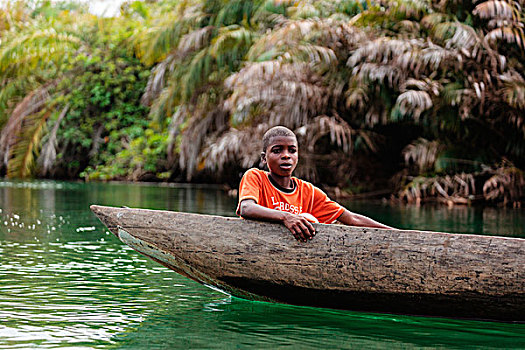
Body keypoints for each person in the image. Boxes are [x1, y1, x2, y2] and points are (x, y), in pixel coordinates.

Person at [236, 126, 394, 242]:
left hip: (292, 254)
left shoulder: (308, 191)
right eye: (277, 151)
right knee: (303, 217)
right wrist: (285, 217)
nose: (286, 156)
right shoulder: (255, 176)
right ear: (264, 158)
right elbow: (246, 208)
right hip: (257, 244)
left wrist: (395, 233)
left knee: (308, 219)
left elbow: (352, 218)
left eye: (292, 150)